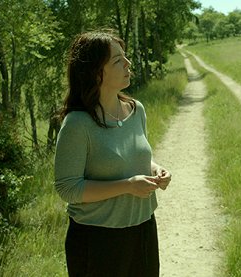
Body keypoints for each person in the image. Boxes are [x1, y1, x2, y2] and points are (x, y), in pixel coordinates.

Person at [54, 30, 171, 277]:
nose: (128, 63)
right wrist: (127, 186)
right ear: (97, 72)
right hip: (98, 240)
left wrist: (155, 170)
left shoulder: (136, 109)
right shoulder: (77, 123)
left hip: (143, 228)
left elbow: (135, 156)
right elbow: (68, 189)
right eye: (118, 60)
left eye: (125, 56)